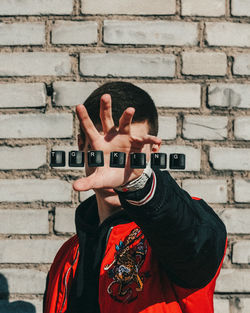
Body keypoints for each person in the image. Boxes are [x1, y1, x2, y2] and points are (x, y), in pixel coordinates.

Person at [43, 81, 227, 313]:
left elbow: (196, 246)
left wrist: (137, 183)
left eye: (131, 153)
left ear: (154, 151)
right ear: (82, 145)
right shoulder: (67, 257)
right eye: (103, 152)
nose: (115, 165)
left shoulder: (174, 233)